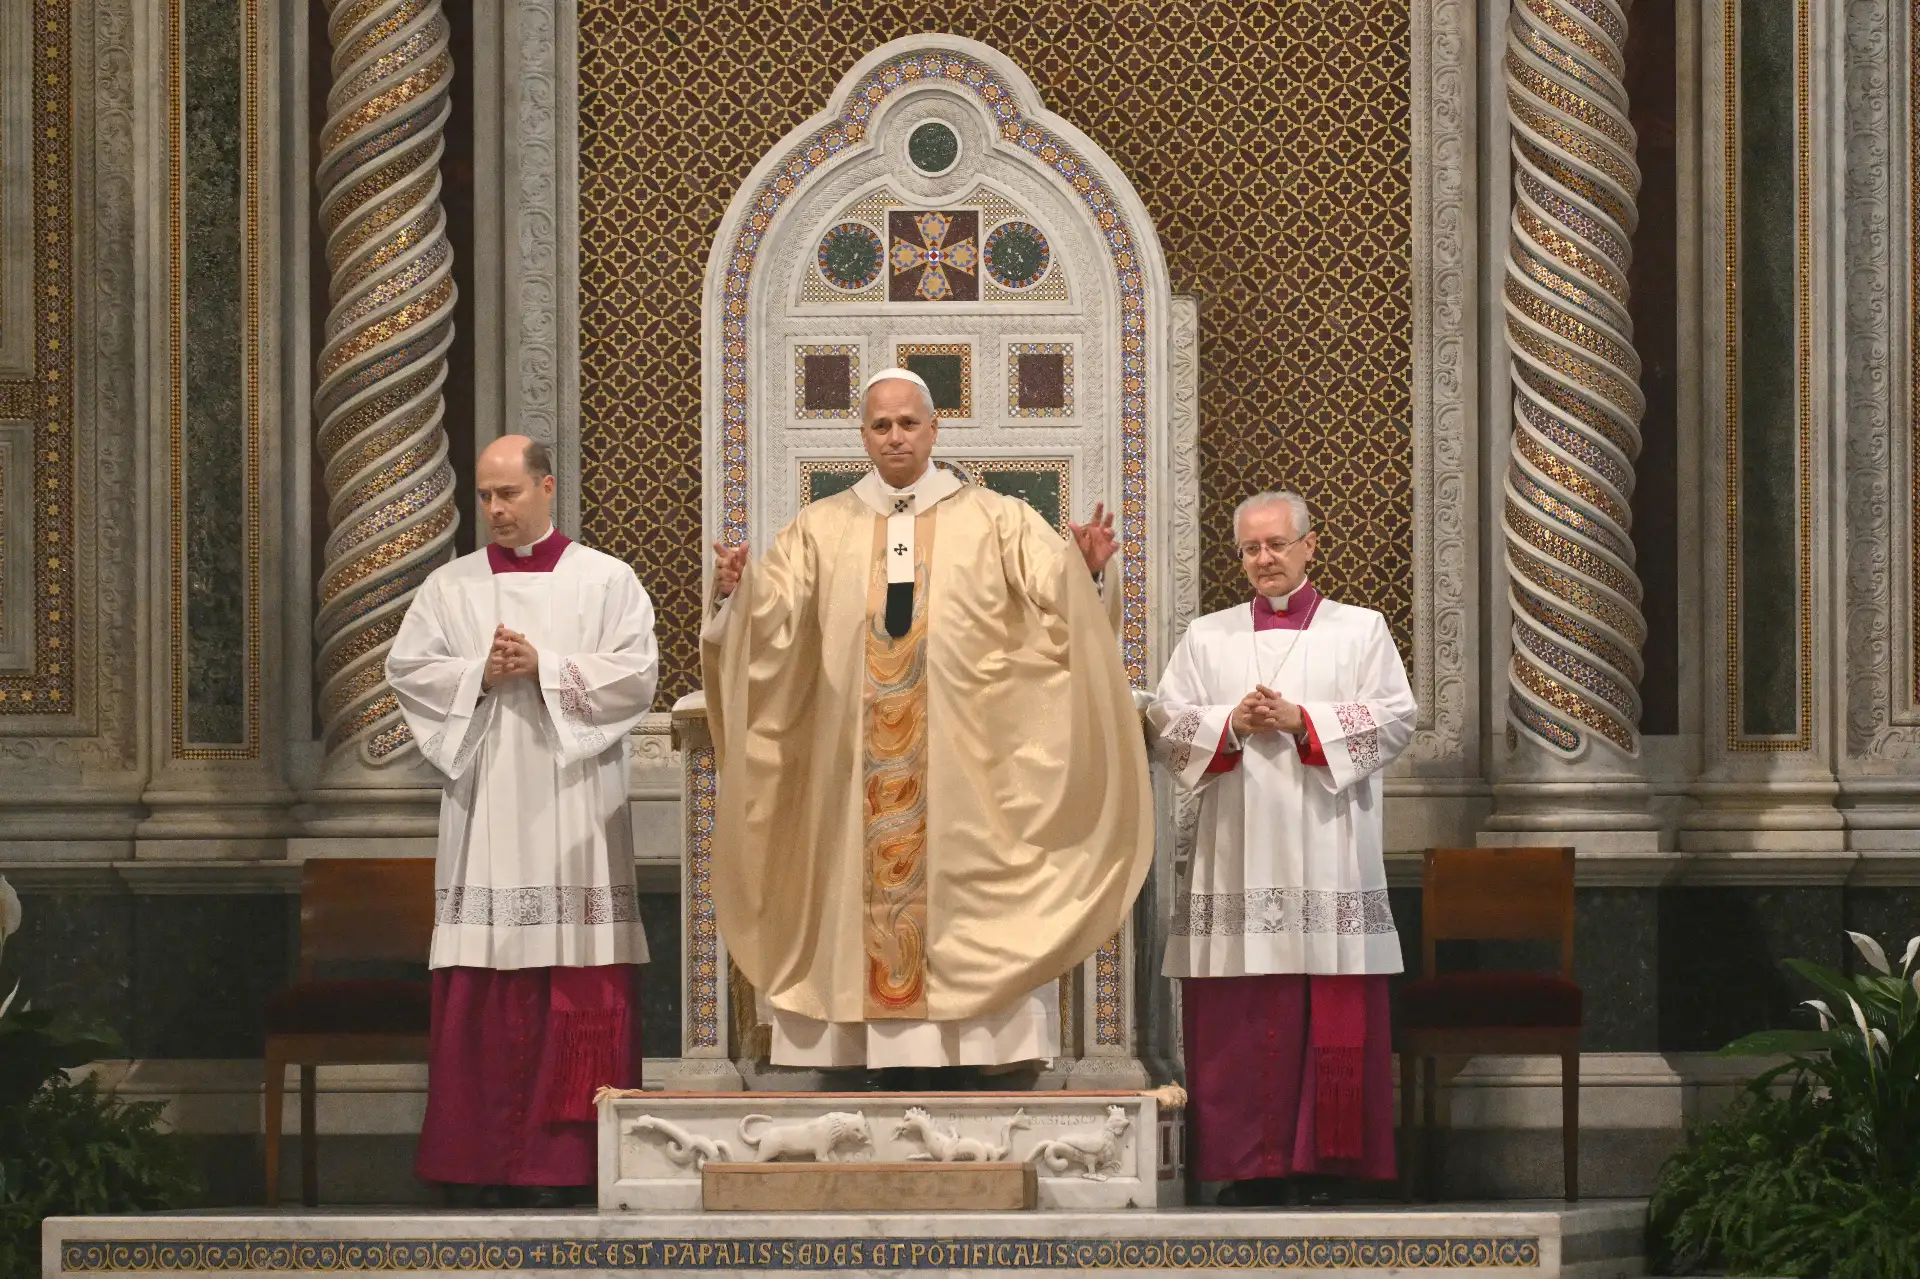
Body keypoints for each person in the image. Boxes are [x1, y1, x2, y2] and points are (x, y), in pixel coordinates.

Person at [704, 368, 1152, 1084]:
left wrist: (1087, 571)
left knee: (971, 909)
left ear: (936, 428)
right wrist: (742, 589)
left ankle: (976, 1052)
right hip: (855, 773)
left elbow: (1060, 608)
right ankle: (860, 1052)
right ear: (863, 436)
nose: (895, 437)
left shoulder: (997, 517)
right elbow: (772, 628)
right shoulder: (819, 529)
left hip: (965, 772)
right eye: (880, 425)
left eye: (908, 423)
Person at [386, 435, 660, 1206]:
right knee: (487, 968)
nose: (497, 509)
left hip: (576, 807)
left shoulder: (606, 580)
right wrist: (480, 672)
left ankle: (566, 1164)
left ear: (547, 487)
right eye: (485, 496)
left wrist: (546, 666)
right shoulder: (452, 587)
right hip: (488, 806)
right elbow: (409, 671)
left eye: (509, 493)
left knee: (577, 965)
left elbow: (637, 674)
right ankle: (477, 1160)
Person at [1148, 490, 1415, 1206]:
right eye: (1249, 548)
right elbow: (1167, 725)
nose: (1263, 559)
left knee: (1330, 1007)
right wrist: (1229, 723)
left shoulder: (1361, 630)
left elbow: (1396, 720)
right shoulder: (1209, 637)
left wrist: (1304, 720)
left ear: (1309, 545)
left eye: (1275, 544)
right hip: (1237, 848)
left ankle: (1327, 1166)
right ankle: (1249, 1166)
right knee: (1241, 1013)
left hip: (1330, 848)